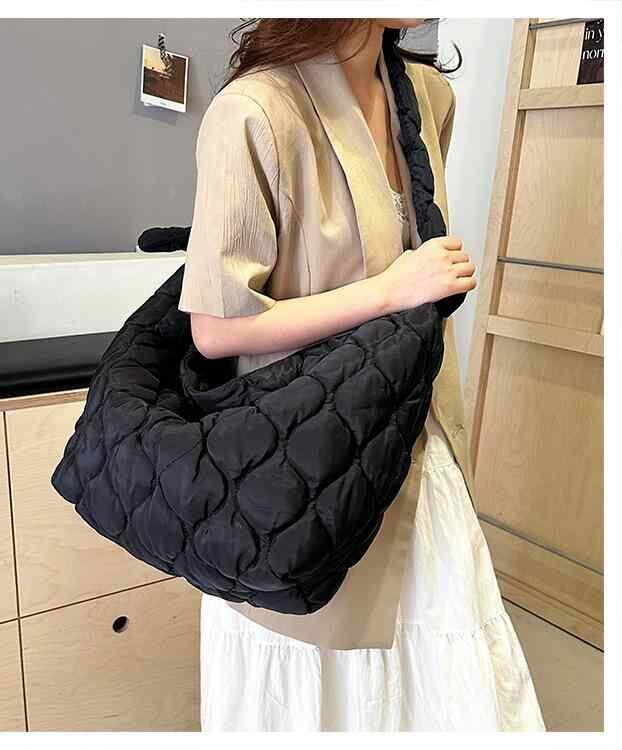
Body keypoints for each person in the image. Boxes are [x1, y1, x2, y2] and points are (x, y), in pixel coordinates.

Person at [177, 18, 546, 732]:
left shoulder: (427, 96)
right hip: (300, 471)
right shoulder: (253, 111)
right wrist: (390, 291)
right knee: (315, 701)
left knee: (448, 686)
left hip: (419, 447)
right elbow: (217, 327)